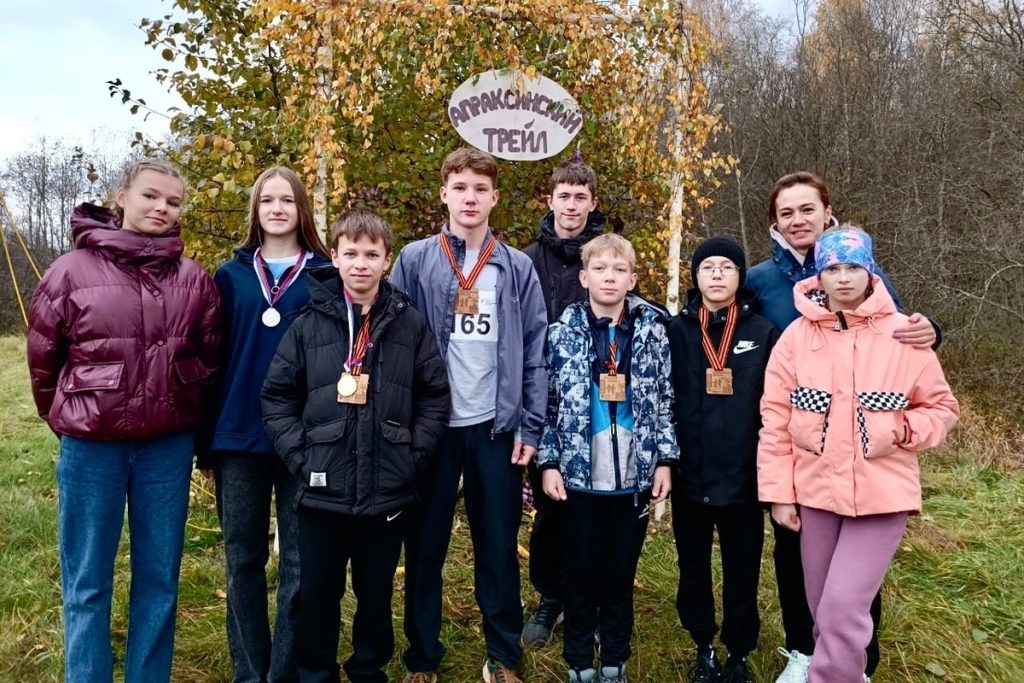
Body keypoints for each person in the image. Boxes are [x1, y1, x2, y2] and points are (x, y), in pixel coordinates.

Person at [26, 159, 222, 682]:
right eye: (151, 196)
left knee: (159, 578)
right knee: (87, 579)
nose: (162, 208)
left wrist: (177, 396)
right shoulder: (70, 271)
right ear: (122, 197)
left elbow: (210, 358)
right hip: (93, 449)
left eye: (173, 202)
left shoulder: (194, 278)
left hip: (167, 448)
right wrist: (73, 416)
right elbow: (44, 360)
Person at [745, 171, 940, 683]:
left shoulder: (895, 328)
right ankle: (812, 658)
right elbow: (776, 416)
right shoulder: (772, 297)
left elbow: (933, 397)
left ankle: (845, 671)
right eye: (786, 212)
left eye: (806, 209)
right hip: (813, 484)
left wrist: (900, 429)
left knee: (844, 605)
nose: (845, 277)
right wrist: (777, 491)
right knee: (819, 601)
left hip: (879, 488)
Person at [261, 209, 450, 683]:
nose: (361, 264)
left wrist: (412, 455)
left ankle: (369, 669)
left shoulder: (409, 323)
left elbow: (434, 395)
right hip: (321, 488)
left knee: (376, 591)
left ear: (388, 259)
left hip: (387, 488)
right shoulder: (308, 323)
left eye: (372, 254)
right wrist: (301, 458)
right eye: (351, 253)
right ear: (336, 257)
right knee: (317, 592)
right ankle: (315, 672)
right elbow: (277, 395)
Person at [390, 147, 548, 683]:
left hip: (495, 427)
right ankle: (422, 657)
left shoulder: (516, 266)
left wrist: (530, 423)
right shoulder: (414, 260)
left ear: (494, 197)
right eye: (460, 187)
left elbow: (534, 350)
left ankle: (503, 655)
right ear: (444, 194)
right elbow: (390, 343)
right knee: (426, 543)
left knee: (498, 544)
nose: (470, 198)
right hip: (431, 427)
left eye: (481, 189)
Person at [203, 167, 332, 683]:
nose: (277, 209)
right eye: (267, 201)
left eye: (287, 200)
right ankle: (250, 672)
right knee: (242, 558)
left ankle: (285, 673)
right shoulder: (228, 276)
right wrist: (205, 443)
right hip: (237, 434)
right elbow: (212, 362)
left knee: (300, 563)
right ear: (255, 210)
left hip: (305, 437)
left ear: (302, 208)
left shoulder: (325, 273)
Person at [537, 233, 677, 683]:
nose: (610, 277)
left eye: (620, 270)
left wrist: (664, 460)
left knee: (619, 574)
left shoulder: (654, 330)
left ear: (633, 279)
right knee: (579, 573)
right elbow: (546, 404)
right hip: (578, 477)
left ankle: (614, 656)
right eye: (601, 269)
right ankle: (579, 659)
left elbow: (666, 399)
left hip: (632, 478)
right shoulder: (559, 333)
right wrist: (549, 461)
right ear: (584, 277)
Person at [667, 237, 779, 683]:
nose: (716, 274)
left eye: (726, 267)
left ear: (739, 276)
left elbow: (774, 405)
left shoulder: (763, 332)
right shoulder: (675, 330)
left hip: (743, 478)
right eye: (707, 267)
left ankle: (738, 652)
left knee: (742, 569)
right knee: (693, 567)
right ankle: (702, 646)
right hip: (689, 476)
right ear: (695, 276)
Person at [520, 158, 606, 647]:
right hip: (540, 402)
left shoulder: (604, 256)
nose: (571, 206)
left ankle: (589, 602)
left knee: (593, 507)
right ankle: (550, 597)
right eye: (563, 196)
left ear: (593, 203)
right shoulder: (526, 259)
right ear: (550, 200)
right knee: (551, 509)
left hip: (596, 403)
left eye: (581, 197)